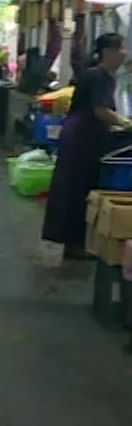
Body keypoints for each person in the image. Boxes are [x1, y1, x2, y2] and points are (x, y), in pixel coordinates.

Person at [42, 32, 132, 259]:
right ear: (109, 52)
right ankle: (74, 245)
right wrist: (125, 123)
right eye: (122, 48)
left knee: (74, 187)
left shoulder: (96, 74)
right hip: (82, 136)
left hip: (80, 133)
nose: (125, 53)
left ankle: (73, 244)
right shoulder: (100, 76)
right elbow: (100, 110)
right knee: (77, 189)